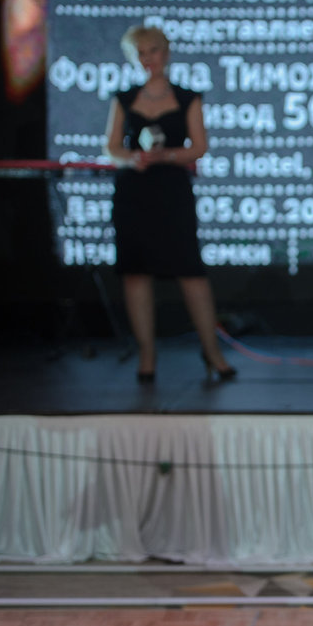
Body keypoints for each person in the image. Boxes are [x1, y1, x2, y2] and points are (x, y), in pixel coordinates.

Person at [104, 25, 235, 384]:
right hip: (134, 192)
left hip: (172, 191)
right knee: (136, 272)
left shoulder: (188, 97)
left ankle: (212, 351)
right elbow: (111, 148)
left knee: (190, 270)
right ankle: (147, 355)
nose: (148, 59)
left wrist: (167, 156)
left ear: (166, 53)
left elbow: (199, 147)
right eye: (141, 53)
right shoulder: (124, 98)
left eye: (154, 51)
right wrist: (132, 158)